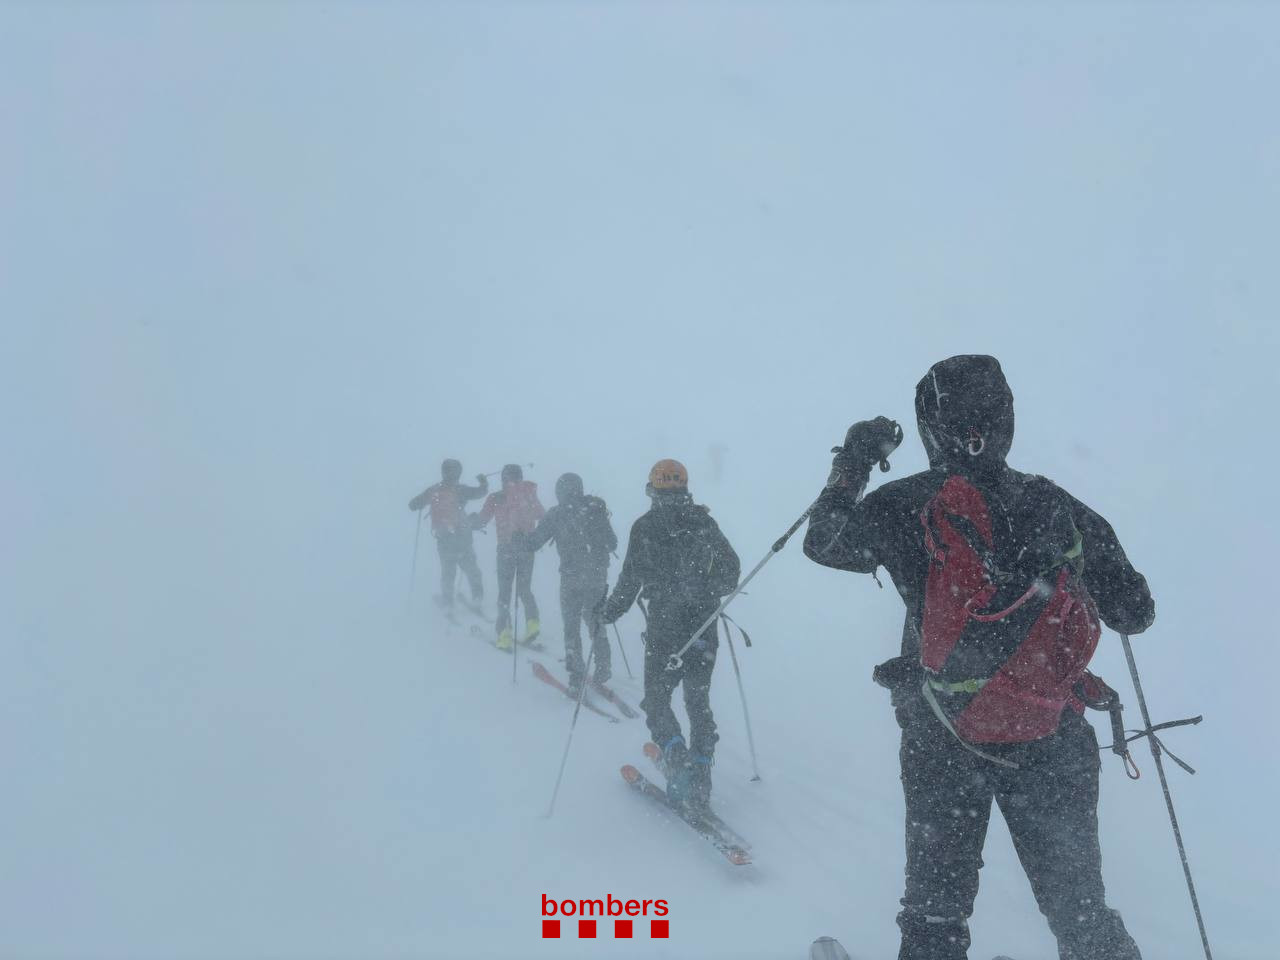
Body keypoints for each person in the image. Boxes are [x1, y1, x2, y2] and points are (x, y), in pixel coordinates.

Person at [803, 355, 1155, 960]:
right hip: (1049, 729)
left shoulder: (905, 503)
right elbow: (1135, 612)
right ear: (1007, 420)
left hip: (943, 730)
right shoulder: (1055, 502)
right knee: (1082, 912)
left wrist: (854, 458)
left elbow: (823, 541)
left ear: (929, 428)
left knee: (935, 914)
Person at [599, 459, 740, 815]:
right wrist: (708, 589)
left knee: (658, 700)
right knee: (698, 702)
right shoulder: (703, 521)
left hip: (666, 626)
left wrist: (609, 612)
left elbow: (630, 580)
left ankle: (679, 764)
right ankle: (701, 778)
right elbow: (731, 571)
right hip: (704, 627)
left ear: (653, 487)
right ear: (684, 485)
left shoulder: (645, 526)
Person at [524, 472, 618, 693]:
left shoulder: (556, 514)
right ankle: (603, 664)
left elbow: (534, 543)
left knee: (571, 624)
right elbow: (612, 543)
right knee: (595, 618)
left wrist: (521, 540)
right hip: (596, 575)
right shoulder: (596, 510)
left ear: (559, 492)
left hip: (571, 576)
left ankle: (576, 673)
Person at [473, 464, 545, 649]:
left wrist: (470, 522)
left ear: (504, 478)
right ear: (520, 477)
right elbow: (542, 515)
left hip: (506, 549)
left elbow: (482, 520)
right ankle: (532, 624)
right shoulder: (529, 494)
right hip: (527, 549)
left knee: (504, 593)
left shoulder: (496, 497)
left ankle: (504, 634)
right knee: (524, 588)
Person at [407, 459, 487, 612]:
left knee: (448, 571)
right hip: (463, 536)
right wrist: (483, 482)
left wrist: (419, 504)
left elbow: (413, 504)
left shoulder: (433, 490)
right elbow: (480, 493)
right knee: (471, 569)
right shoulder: (460, 490)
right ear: (459, 472)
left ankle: (448, 601)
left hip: (444, 537)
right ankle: (477, 597)